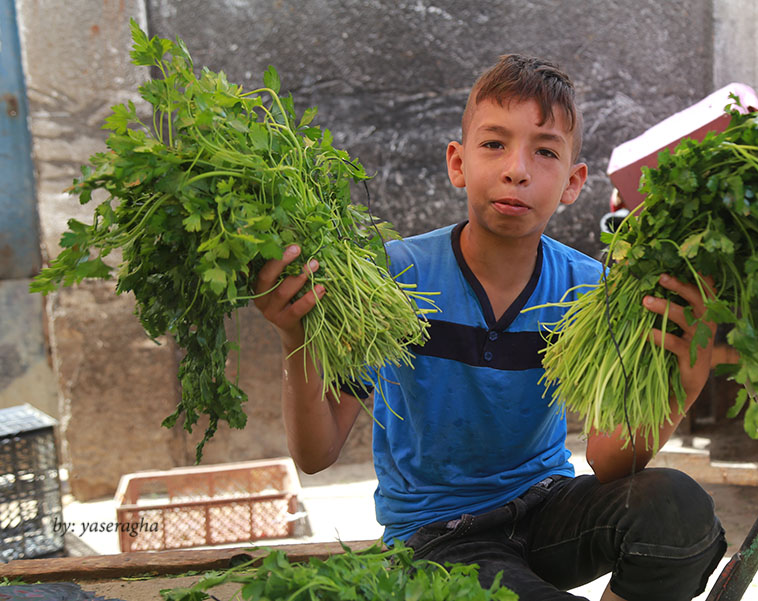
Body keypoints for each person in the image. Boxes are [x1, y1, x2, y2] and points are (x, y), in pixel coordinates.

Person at [253, 54, 726, 601]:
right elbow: (316, 455)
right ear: (458, 163)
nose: (516, 169)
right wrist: (296, 340)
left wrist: (678, 392)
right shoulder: (394, 278)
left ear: (573, 182)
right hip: (436, 537)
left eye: (544, 151)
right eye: (495, 143)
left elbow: (605, 460)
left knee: (678, 511)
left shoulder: (588, 290)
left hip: (547, 509)